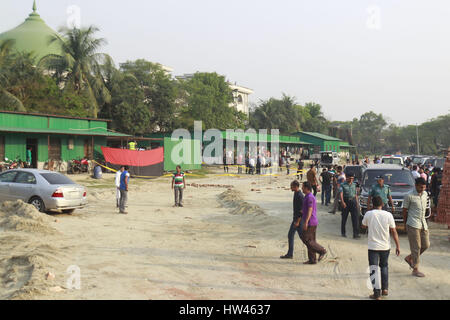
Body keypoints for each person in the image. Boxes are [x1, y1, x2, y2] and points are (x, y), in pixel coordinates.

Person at [361, 196, 400, 300]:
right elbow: (394, 231)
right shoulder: (388, 215)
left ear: (372, 204)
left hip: (373, 246)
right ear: (382, 204)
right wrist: (398, 246)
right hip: (385, 246)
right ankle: (385, 289)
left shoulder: (369, 214)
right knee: (384, 266)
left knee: (373, 269)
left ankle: (377, 294)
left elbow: (363, 226)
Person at [403, 178, 430, 278]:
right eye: (420, 187)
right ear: (416, 185)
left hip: (423, 223)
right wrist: (405, 224)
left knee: (426, 245)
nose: (422, 189)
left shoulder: (425, 194)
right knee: (416, 247)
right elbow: (404, 210)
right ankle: (415, 269)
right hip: (412, 224)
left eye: (424, 187)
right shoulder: (409, 195)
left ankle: (410, 258)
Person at [300, 182, 327, 264]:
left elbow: (310, 210)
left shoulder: (310, 197)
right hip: (310, 221)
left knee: (307, 240)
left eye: (303, 187)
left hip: (311, 222)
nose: (302, 189)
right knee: (311, 241)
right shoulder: (307, 197)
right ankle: (312, 259)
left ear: (306, 188)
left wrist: (306, 222)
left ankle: (322, 250)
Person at [280, 180, 304, 259]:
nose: (290, 188)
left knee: (303, 238)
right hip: (296, 219)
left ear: (296, 186)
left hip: (298, 220)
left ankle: (315, 250)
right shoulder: (296, 193)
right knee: (292, 235)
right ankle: (290, 253)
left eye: (291, 186)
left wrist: (297, 221)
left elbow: (302, 210)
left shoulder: (300, 196)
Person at [340, 173, 361, 239]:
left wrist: (357, 204)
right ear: (347, 178)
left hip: (353, 201)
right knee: (344, 218)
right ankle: (343, 232)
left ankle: (356, 234)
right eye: (350, 178)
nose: (351, 180)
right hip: (346, 201)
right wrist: (342, 202)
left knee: (355, 218)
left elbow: (355, 195)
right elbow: (341, 194)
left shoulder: (354, 185)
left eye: (352, 178)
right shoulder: (342, 185)